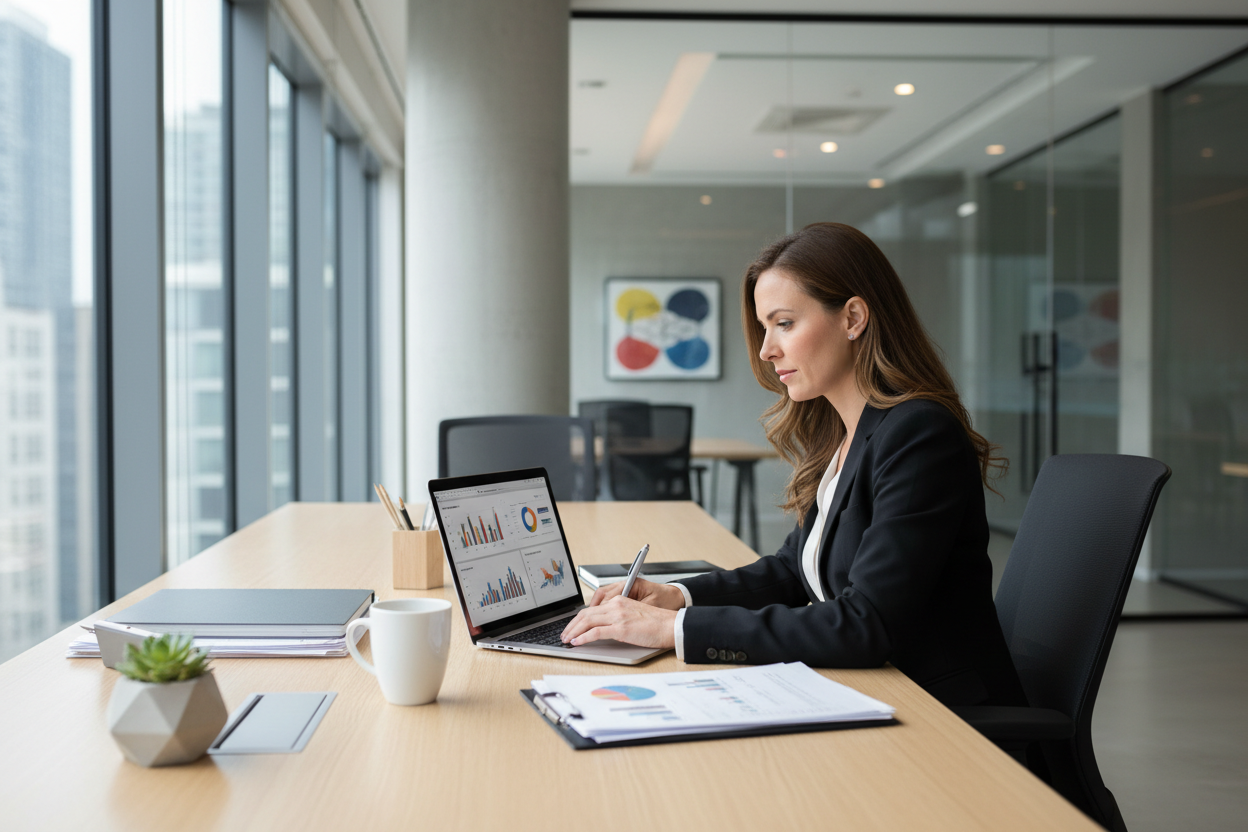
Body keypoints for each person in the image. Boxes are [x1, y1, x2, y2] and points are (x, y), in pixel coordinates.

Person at [561, 222, 1026, 707]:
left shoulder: (918, 435)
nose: (766, 350)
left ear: (852, 318)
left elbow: (868, 623)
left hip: (942, 715)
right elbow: (791, 570)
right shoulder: (845, 435)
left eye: (784, 324)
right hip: (876, 690)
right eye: (765, 328)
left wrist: (675, 629)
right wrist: (678, 597)